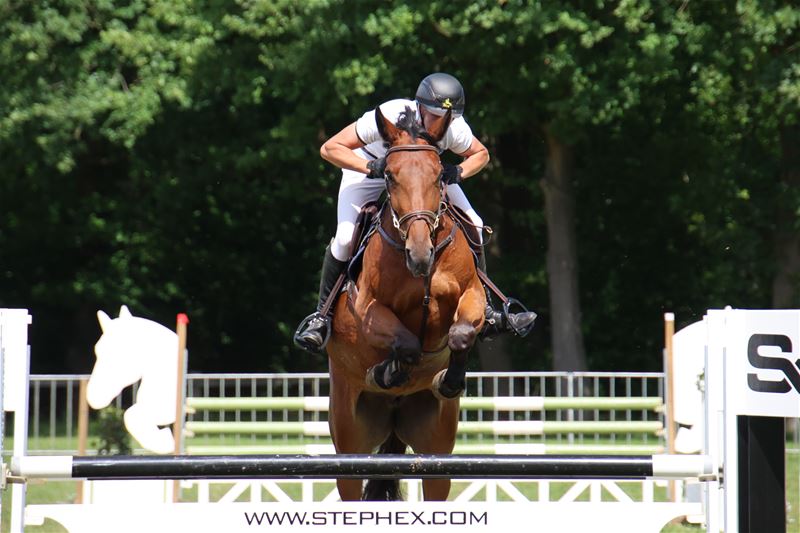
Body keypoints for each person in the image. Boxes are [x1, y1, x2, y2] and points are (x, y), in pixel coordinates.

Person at [294, 73, 536, 353]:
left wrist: (457, 172)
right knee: (346, 237)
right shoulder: (390, 114)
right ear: (420, 107)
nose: (439, 124)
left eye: (446, 117)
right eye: (434, 114)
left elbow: (480, 154)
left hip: (422, 175)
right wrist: (372, 167)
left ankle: (490, 312)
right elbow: (330, 148)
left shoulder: (454, 126)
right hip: (368, 170)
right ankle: (321, 316)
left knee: (477, 224)